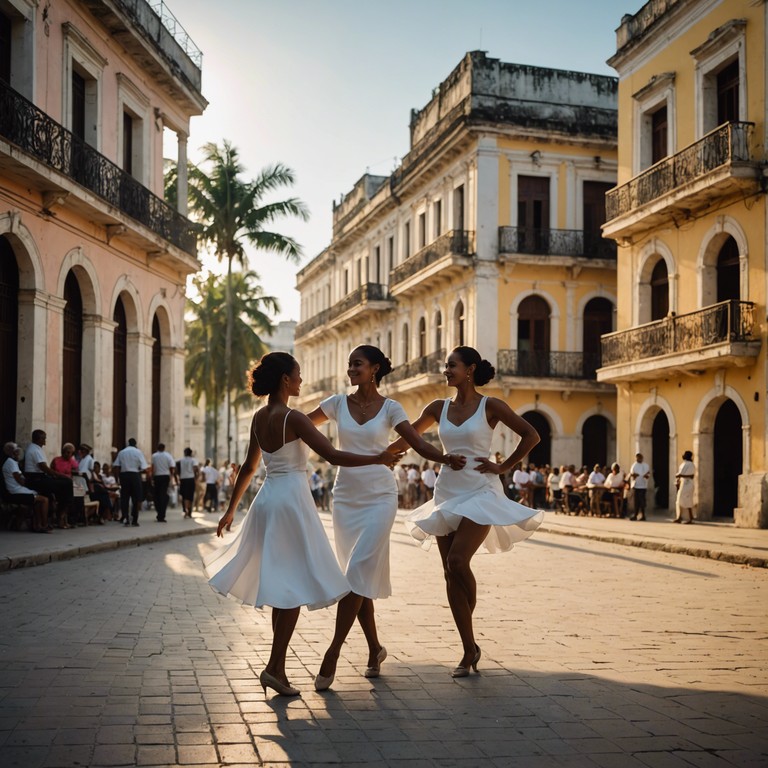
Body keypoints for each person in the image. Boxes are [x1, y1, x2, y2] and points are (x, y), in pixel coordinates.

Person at [205, 352, 404, 697]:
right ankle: (273, 667)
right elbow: (334, 456)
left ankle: (277, 668)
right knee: (292, 587)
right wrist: (379, 457)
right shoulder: (293, 418)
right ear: (285, 380)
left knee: (284, 584)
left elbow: (249, 468)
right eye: (297, 375)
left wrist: (231, 509)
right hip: (290, 501)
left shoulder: (258, 417)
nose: (301, 381)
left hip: (266, 499)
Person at [306, 345, 466, 691]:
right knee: (358, 579)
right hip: (346, 497)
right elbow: (303, 425)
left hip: (380, 497)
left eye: (357, 364)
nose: (351, 370)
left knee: (357, 571)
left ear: (374, 369)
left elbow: (413, 442)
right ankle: (376, 649)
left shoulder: (391, 407)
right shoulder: (336, 403)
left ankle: (332, 652)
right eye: (349, 364)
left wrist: (443, 457)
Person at [392, 346, 543, 678]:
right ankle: (469, 647)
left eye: (451, 365)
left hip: (481, 490)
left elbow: (531, 435)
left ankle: (468, 634)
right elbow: (409, 436)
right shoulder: (437, 407)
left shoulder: (491, 406)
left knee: (458, 561)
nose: (446, 370)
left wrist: (503, 465)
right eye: (446, 365)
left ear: (470, 370)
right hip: (447, 490)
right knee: (449, 574)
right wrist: (379, 451)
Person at [23, 430, 74, 528]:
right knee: (67, 483)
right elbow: (44, 468)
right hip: (36, 479)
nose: (45, 440)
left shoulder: (36, 448)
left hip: (39, 478)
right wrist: (60, 475)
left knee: (60, 488)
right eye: (44, 438)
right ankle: (60, 514)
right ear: (38, 439)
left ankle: (59, 513)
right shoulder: (35, 450)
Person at [2, 442, 50, 532]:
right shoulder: (11, 463)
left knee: (38, 497)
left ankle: (37, 525)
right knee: (44, 500)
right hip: (16, 491)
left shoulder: (11, 462)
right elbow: (20, 480)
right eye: (16, 452)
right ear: (12, 452)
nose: (18, 454)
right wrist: (28, 483)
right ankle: (44, 524)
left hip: (17, 490)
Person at [113, 438, 149, 526]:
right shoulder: (138, 452)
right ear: (135, 444)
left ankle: (126, 517)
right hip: (135, 475)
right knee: (136, 498)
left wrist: (117, 479)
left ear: (128, 443)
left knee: (124, 497)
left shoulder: (122, 452)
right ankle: (134, 519)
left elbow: (116, 466)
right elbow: (144, 467)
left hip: (124, 475)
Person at [150, 443, 176, 523]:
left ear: (157, 448)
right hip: (165, 476)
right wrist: (171, 476)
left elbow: (152, 467)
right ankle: (162, 514)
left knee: (157, 495)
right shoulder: (168, 456)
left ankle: (159, 513)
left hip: (157, 476)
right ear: (164, 448)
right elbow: (172, 467)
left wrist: (152, 477)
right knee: (163, 494)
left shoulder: (154, 456)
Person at [674, 450, 695, 524]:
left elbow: (691, 476)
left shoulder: (691, 464)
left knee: (687, 500)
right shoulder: (683, 464)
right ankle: (679, 517)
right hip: (683, 484)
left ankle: (690, 518)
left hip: (688, 484)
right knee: (679, 501)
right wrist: (678, 481)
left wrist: (680, 475)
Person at [177, 448, 199, 519]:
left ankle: (185, 509)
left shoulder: (181, 460)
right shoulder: (193, 460)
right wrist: (196, 477)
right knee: (190, 495)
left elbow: (177, 469)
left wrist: (179, 475)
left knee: (184, 495)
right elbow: (196, 468)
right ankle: (189, 511)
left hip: (183, 479)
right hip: (190, 479)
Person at [629, 452, 651, 521]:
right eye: (637, 457)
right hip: (636, 485)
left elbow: (648, 474)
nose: (639, 459)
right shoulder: (634, 465)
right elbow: (631, 474)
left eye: (640, 457)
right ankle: (635, 515)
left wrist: (646, 476)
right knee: (636, 502)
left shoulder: (646, 465)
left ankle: (643, 515)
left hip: (643, 486)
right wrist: (634, 475)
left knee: (642, 501)